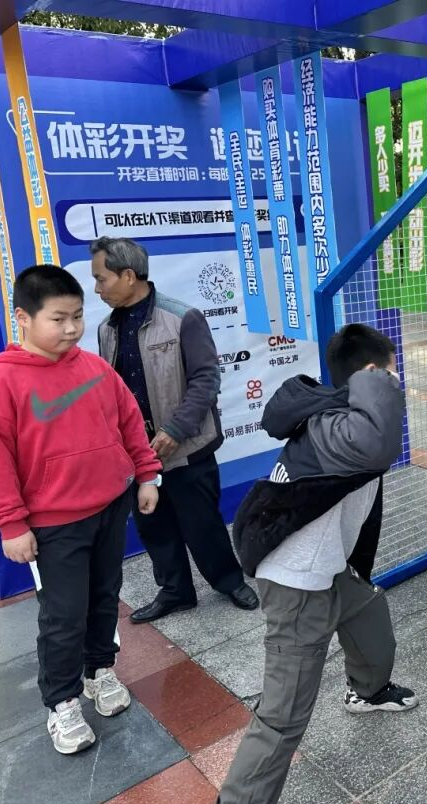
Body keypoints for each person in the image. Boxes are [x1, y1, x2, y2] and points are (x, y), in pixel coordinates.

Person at [218, 323, 418, 804]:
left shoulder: (342, 417)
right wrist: (379, 381)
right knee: (282, 718)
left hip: (327, 568)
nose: (397, 384)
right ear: (370, 373)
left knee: (368, 613)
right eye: (391, 374)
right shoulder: (344, 430)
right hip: (297, 582)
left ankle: (367, 692)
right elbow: (380, 444)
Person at [0, 264, 162, 755]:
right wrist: (11, 524)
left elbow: (130, 422)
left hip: (109, 508)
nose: (72, 328)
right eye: (58, 319)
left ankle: (100, 671)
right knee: (63, 615)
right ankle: (62, 702)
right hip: (54, 525)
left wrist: (146, 474)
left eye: (77, 316)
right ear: (24, 318)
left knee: (105, 597)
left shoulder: (94, 368)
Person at [90, 237, 258, 622]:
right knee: (153, 525)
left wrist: (176, 429)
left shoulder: (183, 318)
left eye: (101, 279)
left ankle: (229, 581)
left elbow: (206, 379)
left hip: (186, 446)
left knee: (202, 524)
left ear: (128, 276)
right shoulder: (106, 329)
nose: (97, 289)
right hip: (138, 452)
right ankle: (175, 591)